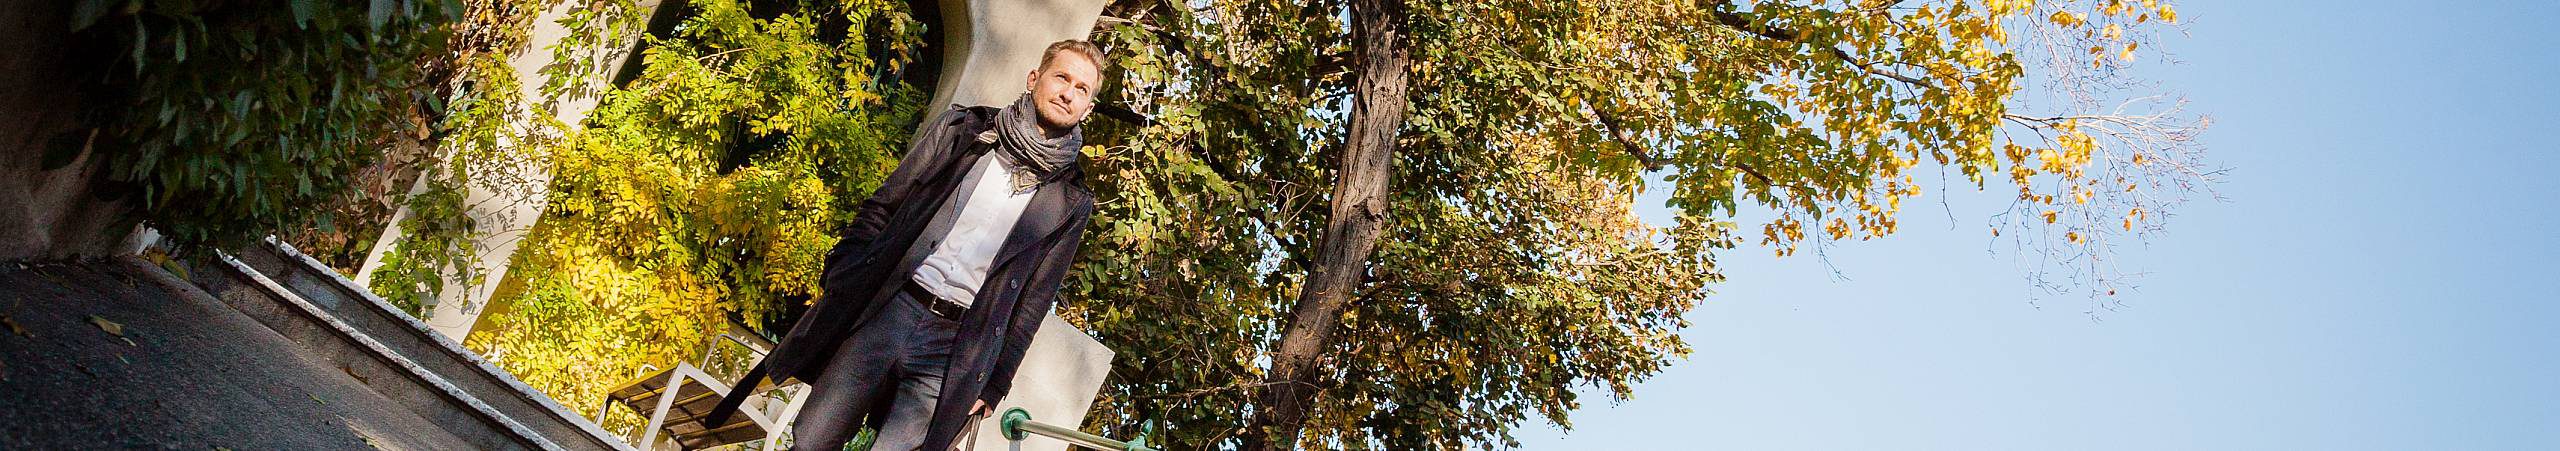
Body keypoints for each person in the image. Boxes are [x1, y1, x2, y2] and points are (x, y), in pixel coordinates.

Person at [707, 39, 1105, 451]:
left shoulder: (1070, 201)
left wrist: (998, 380)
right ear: (1034, 78)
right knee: (812, 440)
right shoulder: (965, 131)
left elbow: (1033, 302)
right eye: (1062, 77)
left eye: (1081, 89)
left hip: (955, 347)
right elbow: (883, 204)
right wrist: (843, 272)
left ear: (1088, 108)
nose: (1067, 93)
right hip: (891, 307)